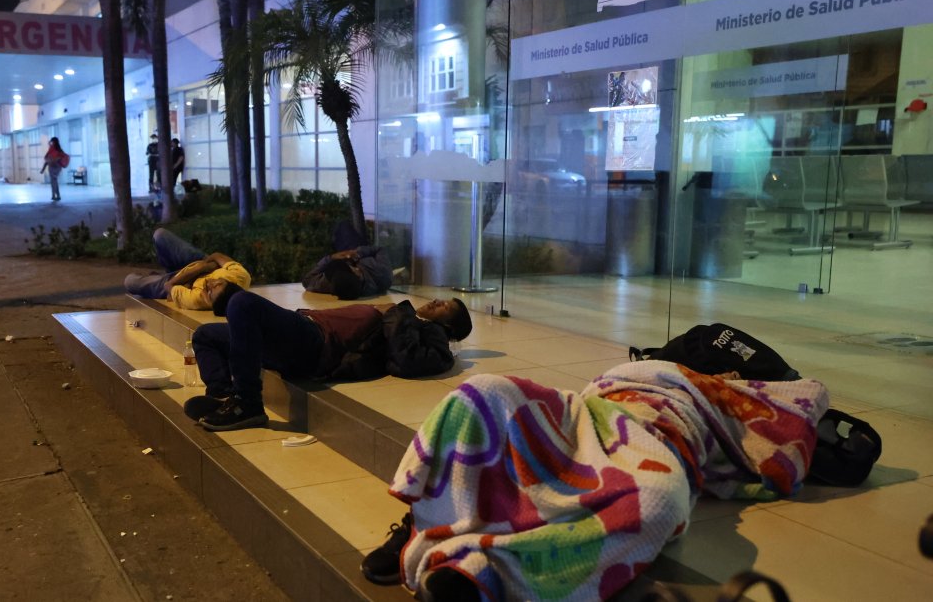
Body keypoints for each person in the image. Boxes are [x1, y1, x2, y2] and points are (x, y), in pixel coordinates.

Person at [358, 361, 829, 601]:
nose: (724, 371)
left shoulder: (730, 397)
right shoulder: (656, 362)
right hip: (589, 412)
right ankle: (423, 523)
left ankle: (490, 572)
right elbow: (594, 390)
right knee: (484, 390)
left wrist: (722, 390)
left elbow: (803, 403)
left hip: (652, 439)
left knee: (661, 499)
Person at [188, 287, 472, 431]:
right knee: (205, 336)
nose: (437, 301)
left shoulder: (424, 332)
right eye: (442, 299)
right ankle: (224, 396)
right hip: (307, 327)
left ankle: (248, 403)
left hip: (316, 344)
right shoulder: (408, 319)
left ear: (449, 327)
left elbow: (409, 360)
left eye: (447, 307)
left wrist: (399, 312)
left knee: (242, 302)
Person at [123, 228, 251, 310]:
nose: (209, 283)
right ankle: (163, 272)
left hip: (180, 279)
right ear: (229, 282)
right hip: (199, 263)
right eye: (218, 282)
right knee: (160, 234)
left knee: (130, 282)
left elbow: (169, 285)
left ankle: (158, 277)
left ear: (209, 301)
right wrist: (204, 265)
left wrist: (202, 269)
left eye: (209, 291)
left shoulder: (196, 300)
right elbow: (217, 255)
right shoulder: (240, 276)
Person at [39, 136, 69, 201]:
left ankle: (55, 195)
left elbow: (47, 158)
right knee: (54, 181)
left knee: (53, 181)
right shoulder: (58, 150)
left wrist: (55, 159)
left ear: (54, 142)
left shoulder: (54, 150)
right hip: (56, 167)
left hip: (53, 167)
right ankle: (56, 195)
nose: (51, 143)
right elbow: (47, 158)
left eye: (52, 142)